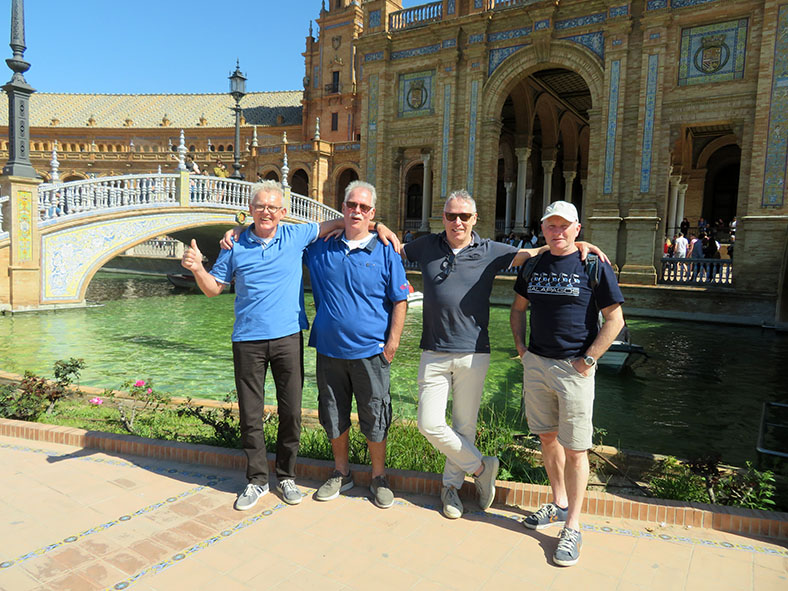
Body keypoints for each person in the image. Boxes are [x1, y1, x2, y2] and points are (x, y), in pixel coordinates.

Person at [183, 181, 399, 511]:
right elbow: (214, 289)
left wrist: (381, 226)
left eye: (273, 207)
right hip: (252, 339)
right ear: (251, 209)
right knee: (254, 414)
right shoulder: (240, 244)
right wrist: (200, 266)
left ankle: (290, 476)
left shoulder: (297, 236)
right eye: (259, 207)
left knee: (294, 412)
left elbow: (347, 224)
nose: (266, 212)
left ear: (284, 213)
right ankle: (257, 480)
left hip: (292, 337)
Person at [402, 190, 606, 520]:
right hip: (433, 352)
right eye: (451, 215)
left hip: (474, 352)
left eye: (464, 217)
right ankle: (483, 467)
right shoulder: (425, 246)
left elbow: (535, 251)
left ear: (475, 220)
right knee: (429, 423)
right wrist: (378, 227)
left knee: (464, 427)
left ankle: (450, 488)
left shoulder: (489, 250)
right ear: (442, 217)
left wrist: (578, 245)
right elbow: (392, 250)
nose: (457, 222)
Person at [510, 200, 624, 568]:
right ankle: (559, 503)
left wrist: (588, 359)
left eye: (564, 227)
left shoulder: (593, 265)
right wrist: (522, 350)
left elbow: (615, 320)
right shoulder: (534, 263)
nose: (557, 232)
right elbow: (517, 309)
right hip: (537, 363)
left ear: (578, 229)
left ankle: (573, 524)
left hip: (574, 370)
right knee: (546, 436)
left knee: (576, 449)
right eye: (550, 226)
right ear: (543, 229)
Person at [306, 181, 408, 509]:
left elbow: (400, 299)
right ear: (343, 207)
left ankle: (378, 476)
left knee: (375, 414)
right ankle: (341, 472)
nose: (357, 211)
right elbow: (283, 236)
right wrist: (237, 232)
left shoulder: (385, 251)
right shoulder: (322, 248)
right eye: (351, 205)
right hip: (330, 350)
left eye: (364, 208)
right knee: (332, 413)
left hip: (371, 352)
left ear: (372, 212)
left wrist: (392, 344)